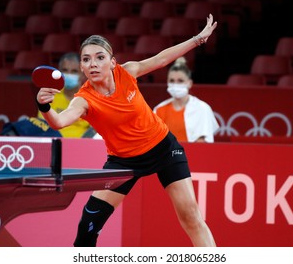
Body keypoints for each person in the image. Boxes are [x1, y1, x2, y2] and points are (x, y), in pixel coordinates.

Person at [36, 14, 218, 247]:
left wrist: (197, 39)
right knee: (88, 225)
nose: (93, 64)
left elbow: (161, 59)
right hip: (124, 161)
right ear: (82, 66)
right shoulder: (84, 100)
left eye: (100, 57)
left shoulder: (127, 72)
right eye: (87, 59)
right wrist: (44, 107)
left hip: (164, 148)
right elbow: (59, 122)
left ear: (112, 62)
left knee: (191, 216)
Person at [153, 57, 219, 143]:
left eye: (180, 81)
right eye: (172, 81)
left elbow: (202, 143)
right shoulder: (159, 109)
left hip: (193, 155)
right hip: (167, 156)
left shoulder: (202, 108)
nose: (175, 84)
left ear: (190, 83)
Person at [37, 52, 92, 138]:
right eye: (65, 70)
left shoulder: (91, 98)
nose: (69, 74)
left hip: (82, 146)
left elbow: (95, 130)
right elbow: (42, 124)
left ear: (82, 74)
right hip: (53, 144)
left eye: (74, 71)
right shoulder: (50, 94)